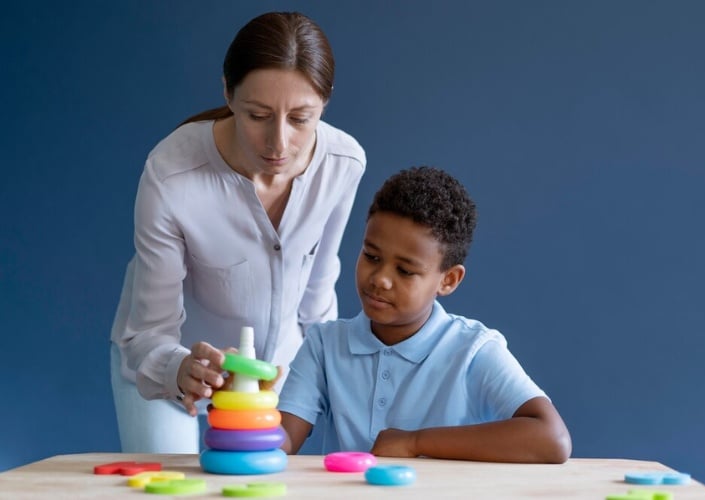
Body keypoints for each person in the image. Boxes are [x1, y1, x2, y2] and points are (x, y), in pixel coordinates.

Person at [110, 11, 366, 453]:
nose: (278, 143)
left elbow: (318, 299)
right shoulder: (171, 175)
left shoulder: (343, 164)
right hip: (174, 369)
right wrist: (182, 369)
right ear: (228, 92)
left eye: (302, 118)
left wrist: (320, 382)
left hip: (277, 376)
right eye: (258, 114)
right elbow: (146, 334)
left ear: (325, 103)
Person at [277, 166, 572, 462]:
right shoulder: (325, 345)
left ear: (448, 280)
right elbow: (283, 442)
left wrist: (415, 442)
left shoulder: (473, 351)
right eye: (371, 256)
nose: (380, 278)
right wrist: (246, 402)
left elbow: (552, 439)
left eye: (405, 270)